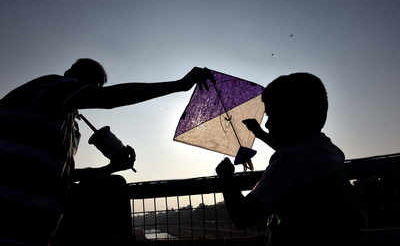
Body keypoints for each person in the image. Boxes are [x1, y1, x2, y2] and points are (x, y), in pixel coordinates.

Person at [0, 58, 213, 245]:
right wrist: (180, 85)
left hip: (34, 214)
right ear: (74, 78)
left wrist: (110, 167)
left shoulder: (63, 122)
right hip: (14, 205)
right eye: (93, 86)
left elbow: (68, 176)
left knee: (112, 182)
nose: (90, 93)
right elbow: (109, 98)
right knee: (113, 188)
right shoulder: (54, 85)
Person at [216, 72, 364, 246]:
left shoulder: (287, 165)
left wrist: (226, 178)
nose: (267, 124)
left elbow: (243, 216)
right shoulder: (326, 150)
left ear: (293, 117)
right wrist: (260, 134)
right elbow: (297, 151)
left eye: (272, 116)